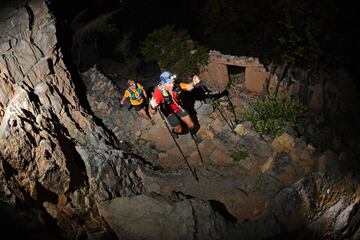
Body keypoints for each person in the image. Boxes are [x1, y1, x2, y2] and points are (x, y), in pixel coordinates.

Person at [149, 71, 201, 141]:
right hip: (169, 112)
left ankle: (193, 134)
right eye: (169, 83)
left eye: (172, 82)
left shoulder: (176, 85)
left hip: (178, 107)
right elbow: (153, 112)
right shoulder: (158, 93)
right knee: (179, 129)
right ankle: (174, 131)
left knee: (191, 125)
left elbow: (188, 87)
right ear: (164, 83)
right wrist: (152, 106)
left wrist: (194, 83)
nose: (172, 85)